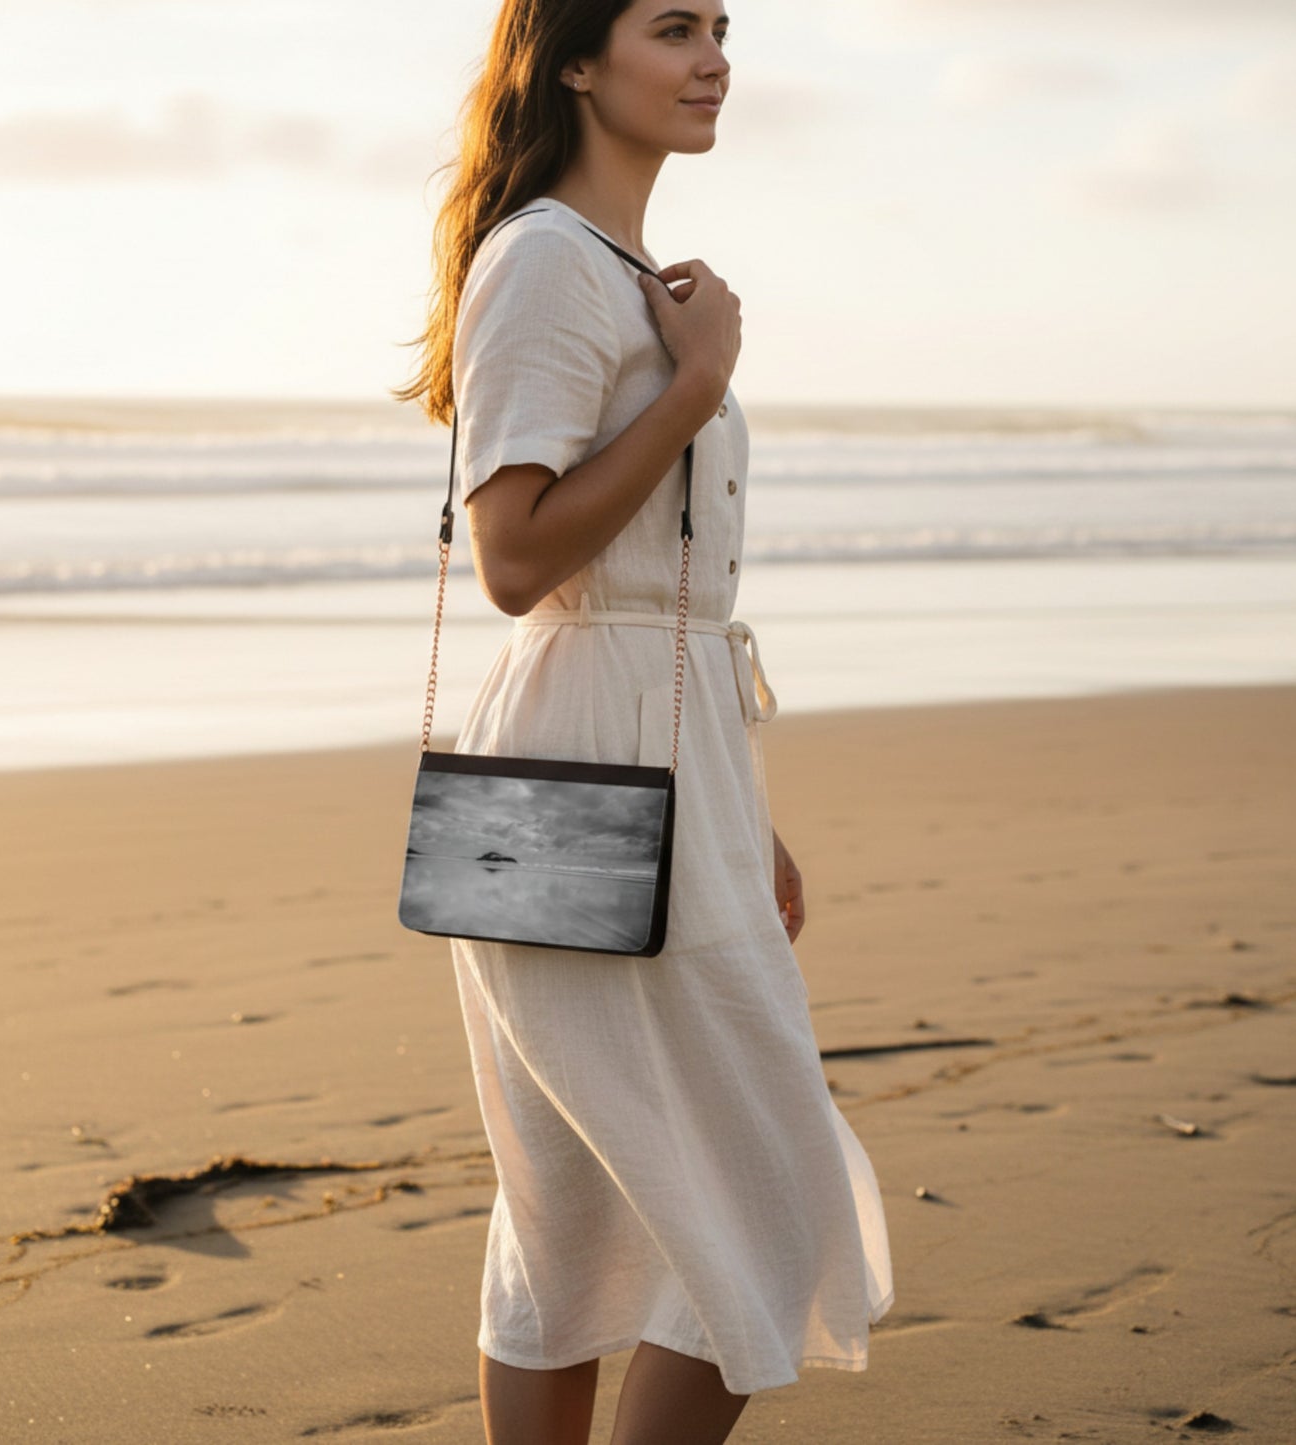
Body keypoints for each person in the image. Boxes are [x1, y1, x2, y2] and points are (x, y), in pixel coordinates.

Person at [396, 3, 894, 1441]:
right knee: (762, 1192)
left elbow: (648, 602)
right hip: (573, 771)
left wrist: (743, 811)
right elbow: (516, 559)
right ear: (569, 57)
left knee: (574, 1210)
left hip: (651, 756)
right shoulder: (545, 261)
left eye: (721, 26)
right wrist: (692, 387)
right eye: (672, 27)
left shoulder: (610, 266)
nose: (714, 56)